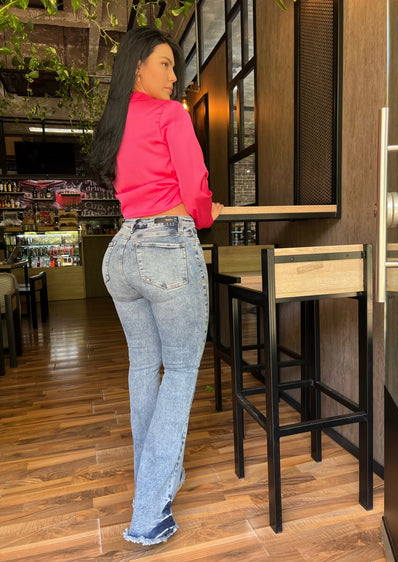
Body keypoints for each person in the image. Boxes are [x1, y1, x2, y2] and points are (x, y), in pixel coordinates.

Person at [89, 26, 223, 546]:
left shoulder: (116, 122)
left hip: (122, 251)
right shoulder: (170, 115)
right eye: (165, 64)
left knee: (145, 368)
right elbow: (195, 186)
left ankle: (155, 482)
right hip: (166, 247)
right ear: (138, 66)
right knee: (182, 370)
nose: (174, 76)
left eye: (174, 66)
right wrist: (206, 215)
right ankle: (148, 514)